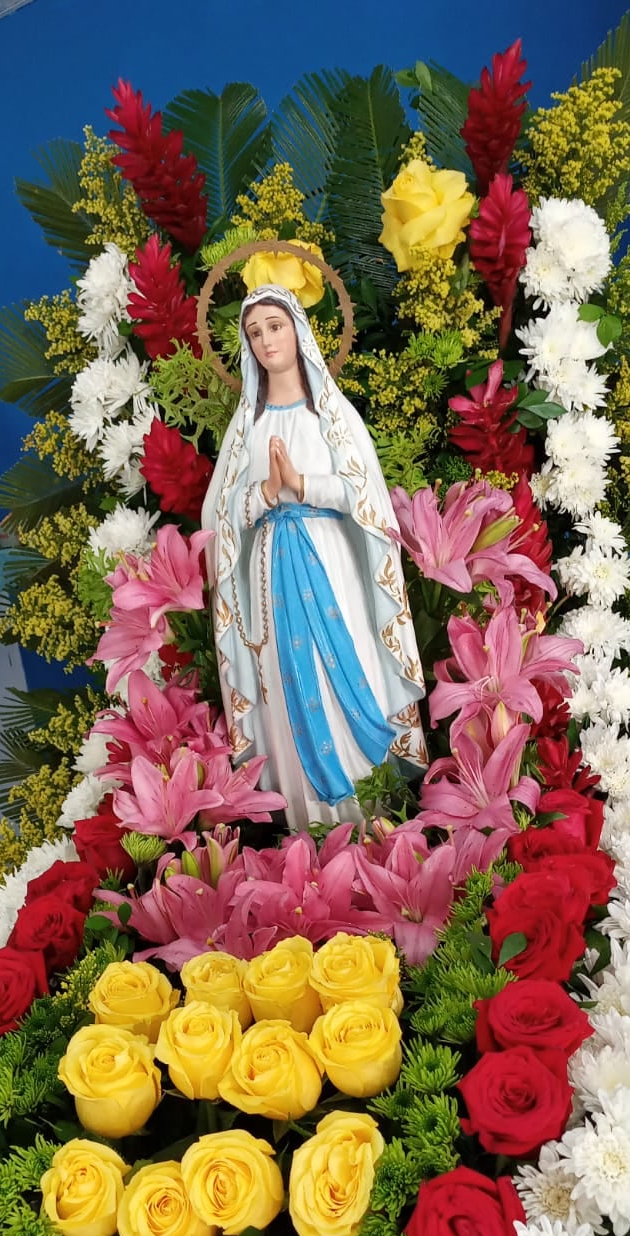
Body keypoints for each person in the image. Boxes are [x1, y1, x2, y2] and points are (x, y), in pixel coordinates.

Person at [202, 286, 427, 831]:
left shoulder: (331, 414)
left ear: (298, 331)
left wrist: (302, 485)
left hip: (332, 561)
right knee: (287, 685)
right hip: (271, 574)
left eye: (275, 326)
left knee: (346, 666)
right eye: (254, 333)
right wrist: (264, 494)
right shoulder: (247, 428)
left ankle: (373, 819)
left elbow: (365, 496)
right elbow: (221, 516)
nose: (266, 340)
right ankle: (307, 829)